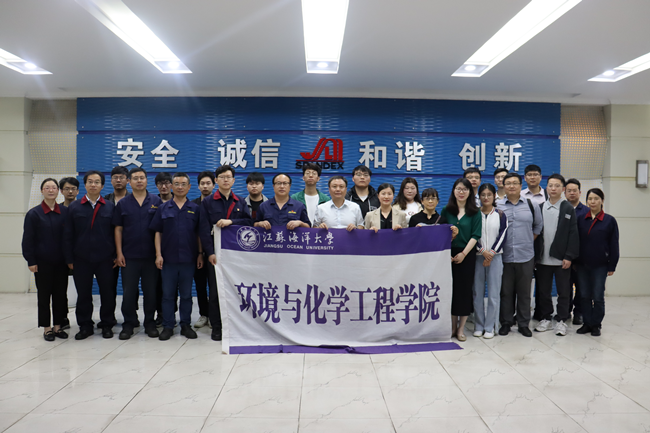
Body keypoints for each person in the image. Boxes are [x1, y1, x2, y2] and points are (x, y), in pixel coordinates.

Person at [199, 165, 253, 341]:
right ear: (216, 180)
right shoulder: (208, 202)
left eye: (228, 177)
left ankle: (235, 325)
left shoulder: (240, 201)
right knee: (215, 292)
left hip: (235, 256)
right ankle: (217, 327)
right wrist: (210, 253)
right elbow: (203, 229)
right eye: (222, 177)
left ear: (233, 180)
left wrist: (231, 222)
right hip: (216, 255)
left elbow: (249, 223)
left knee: (235, 291)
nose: (225, 180)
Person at [63, 171, 117, 340]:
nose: (93, 185)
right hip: (81, 259)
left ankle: (107, 324)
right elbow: (68, 234)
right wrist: (69, 258)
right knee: (84, 294)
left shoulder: (110, 206)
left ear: (102, 185)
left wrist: (116, 254)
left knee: (108, 293)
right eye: (90, 182)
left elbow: (116, 233)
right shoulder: (74, 207)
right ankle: (85, 326)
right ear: (85, 185)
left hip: (106, 259)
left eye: (97, 182)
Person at [150, 173, 203, 340]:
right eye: (177, 184)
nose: (180, 187)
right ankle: (168, 326)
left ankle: (185, 325)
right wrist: (158, 254)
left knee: (186, 295)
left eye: (183, 184)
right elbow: (158, 233)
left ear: (189, 187)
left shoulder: (195, 209)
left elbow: (199, 234)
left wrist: (200, 254)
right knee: (167, 295)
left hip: (189, 259)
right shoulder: (163, 208)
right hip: (168, 260)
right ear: (172, 187)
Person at [113, 167, 163, 340]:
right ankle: (129, 323)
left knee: (151, 292)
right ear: (129, 181)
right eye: (135, 178)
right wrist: (119, 253)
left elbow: (160, 230)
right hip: (129, 256)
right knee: (129, 292)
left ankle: (150, 322)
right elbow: (118, 229)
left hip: (150, 256)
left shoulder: (156, 201)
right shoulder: (123, 204)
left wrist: (159, 254)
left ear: (147, 180)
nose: (139, 181)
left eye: (142, 178)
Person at [22, 179, 69, 341]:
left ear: (58, 191)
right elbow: (28, 240)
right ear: (42, 191)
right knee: (44, 296)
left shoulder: (65, 212)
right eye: (47, 188)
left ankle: (58, 326)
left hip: (61, 262)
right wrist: (31, 260)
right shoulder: (34, 214)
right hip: (42, 263)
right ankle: (47, 328)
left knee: (60, 295)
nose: (50, 190)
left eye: (54, 187)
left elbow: (69, 238)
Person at [497, 173, 543, 337]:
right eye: (508, 183)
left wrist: (527, 240)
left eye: (515, 183)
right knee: (506, 292)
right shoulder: (497, 205)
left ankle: (524, 324)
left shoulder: (531, 204)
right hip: (504, 256)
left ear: (520, 185)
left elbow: (538, 226)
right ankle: (506, 322)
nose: (511, 186)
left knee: (524, 293)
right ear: (503, 186)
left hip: (526, 255)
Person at [533, 174, 579, 337]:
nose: (553, 189)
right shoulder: (540, 208)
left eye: (557, 186)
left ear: (563, 189)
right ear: (546, 187)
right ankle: (546, 317)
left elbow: (573, 234)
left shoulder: (568, 208)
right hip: (542, 259)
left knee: (564, 292)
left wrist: (569, 256)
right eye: (551, 185)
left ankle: (561, 319)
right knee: (543, 291)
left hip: (561, 259)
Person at [441, 178, 481, 341]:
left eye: (465, 189)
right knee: (451, 290)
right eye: (458, 189)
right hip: (448, 255)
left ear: (470, 192)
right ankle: (452, 327)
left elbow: (475, 235)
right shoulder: (446, 210)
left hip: (467, 254)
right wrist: (446, 252)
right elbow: (441, 232)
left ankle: (461, 329)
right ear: (454, 191)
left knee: (464, 291)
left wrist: (463, 254)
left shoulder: (475, 212)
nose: (461, 192)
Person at [575, 188, 619, 337]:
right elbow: (575, 241)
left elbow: (614, 244)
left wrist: (612, 265)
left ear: (602, 201)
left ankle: (596, 324)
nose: (592, 202)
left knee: (598, 296)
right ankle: (587, 323)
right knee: (584, 295)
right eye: (590, 199)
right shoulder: (581, 219)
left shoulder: (609, 220)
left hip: (600, 265)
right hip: (582, 264)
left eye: (596, 199)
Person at [473, 183, 508, 339]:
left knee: (494, 294)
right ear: (479, 197)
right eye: (483, 195)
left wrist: (491, 253)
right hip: (478, 257)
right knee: (477, 293)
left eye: (489, 194)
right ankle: (479, 325)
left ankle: (490, 327)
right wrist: (482, 251)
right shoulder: (475, 214)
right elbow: (472, 235)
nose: (486, 197)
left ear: (494, 196)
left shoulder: (500, 214)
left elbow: (503, 235)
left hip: (495, 258)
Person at [192, 170, 215, 330]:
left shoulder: (217, 203)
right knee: (200, 285)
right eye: (202, 183)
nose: (205, 186)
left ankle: (214, 316)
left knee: (214, 286)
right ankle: (203, 314)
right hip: (197, 252)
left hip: (215, 252)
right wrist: (200, 253)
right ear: (198, 186)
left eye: (208, 183)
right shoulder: (193, 205)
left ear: (214, 185)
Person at [565, 178, 588, 325]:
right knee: (565, 287)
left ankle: (579, 313)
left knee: (581, 287)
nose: (572, 193)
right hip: (564, 257)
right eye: (569, 191)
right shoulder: (561, 209)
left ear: (580, 192)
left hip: (581, 257)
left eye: (574, 190)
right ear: (565, 192)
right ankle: (565, 311)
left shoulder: (586, 211)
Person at [154, 171, 173, 325]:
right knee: (157, 286)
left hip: (174, 251)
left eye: (166, 183)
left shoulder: (179, 201)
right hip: (155, 252)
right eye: (160, 183)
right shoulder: (153, 202)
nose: (164, 186)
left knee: (173, 287)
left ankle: (171, 315)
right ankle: (160, 315)